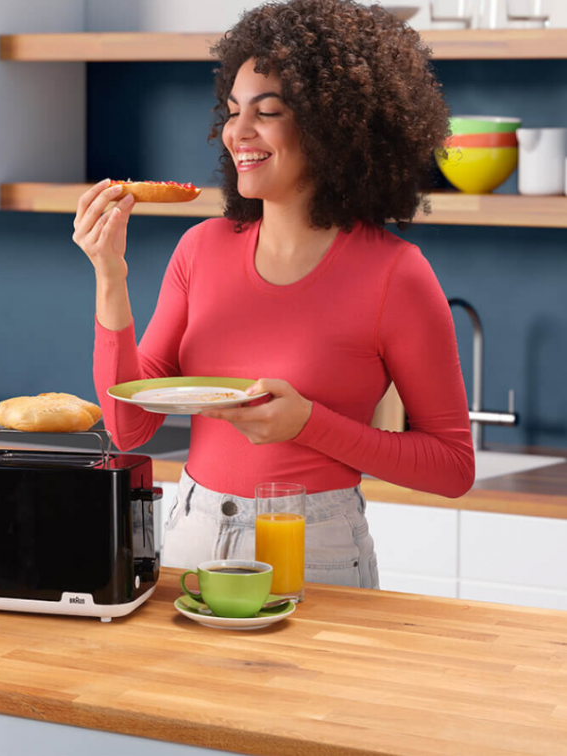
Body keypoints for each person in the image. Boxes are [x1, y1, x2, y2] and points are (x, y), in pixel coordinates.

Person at [72, 0, 475, 588]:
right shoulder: (201, 248)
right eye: (233, 111)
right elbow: (130, 427)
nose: (238, 132)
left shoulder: (396, 274)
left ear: (333, 125)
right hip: (193, 534)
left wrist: (308, 424)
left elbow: (453, 467)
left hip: (315, 549)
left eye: (267, 112)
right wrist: (109, 275)